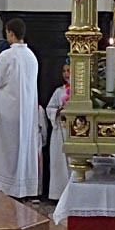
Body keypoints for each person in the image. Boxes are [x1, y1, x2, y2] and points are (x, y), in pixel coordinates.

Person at [0, 18, 41, 198]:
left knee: (5, 149)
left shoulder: (7, 56)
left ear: (10, 33)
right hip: (26, 112)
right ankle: (22, 186)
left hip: (7, 110)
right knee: (21, 147)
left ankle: (3, 184)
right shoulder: (31, 56)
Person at [45, 59, 71, 201]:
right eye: (64, 71)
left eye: (69, 70)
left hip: (74, 132)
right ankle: (59, 194)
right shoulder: (59, 91)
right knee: (59, 164)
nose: (66, 74)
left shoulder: (83, 92)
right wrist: (58, 111)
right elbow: (50, 108)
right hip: (61, 130)